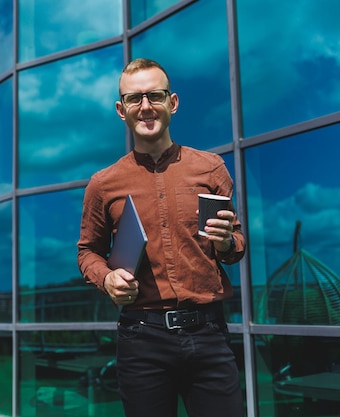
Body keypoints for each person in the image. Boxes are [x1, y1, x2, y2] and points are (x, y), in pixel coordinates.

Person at [77, 58, 246, 417]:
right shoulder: (103, 184)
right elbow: (88, 251)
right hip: (142, 339)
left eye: (155, 95)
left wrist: (227, 242)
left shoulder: (210, 167)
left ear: (173, 103)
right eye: (135, 99)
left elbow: (237, 244)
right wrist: (106, 277)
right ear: (121, 110)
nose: (145, 107)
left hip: (209, 333)